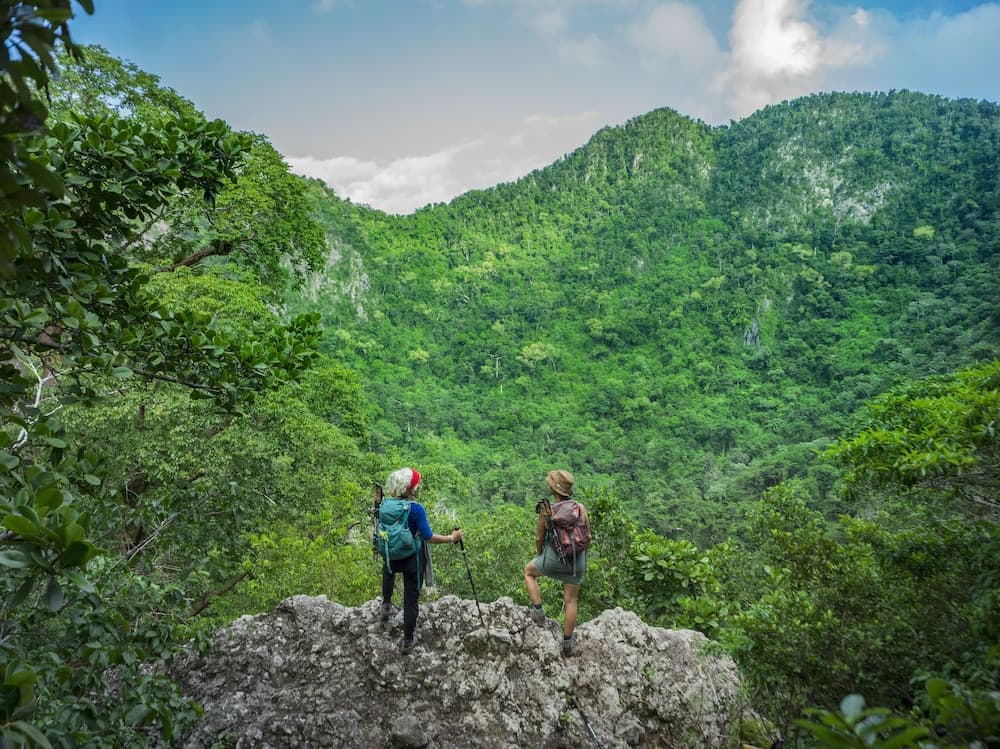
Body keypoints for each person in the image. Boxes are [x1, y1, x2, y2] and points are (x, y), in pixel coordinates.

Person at [378, 466, 462, 654]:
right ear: (411, 488)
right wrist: (451, 538)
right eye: (416, 484)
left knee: (388, 569)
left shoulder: (385, 504)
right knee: (411, 597)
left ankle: (386, 604)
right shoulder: (416, 509)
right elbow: (428, 537)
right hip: (411, 558)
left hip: (391, 555)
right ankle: (408, 640)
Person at [523, 469, 590, 656]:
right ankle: (568, 643)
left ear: (554, 489)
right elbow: (588, 536)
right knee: (571, 600)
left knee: (528, 572)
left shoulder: (547, 511)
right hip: (577, 560)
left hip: (554, 558)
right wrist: (581, 558)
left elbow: (539, 538)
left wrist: (540, 556)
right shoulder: (580, 508)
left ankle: (538, 611)